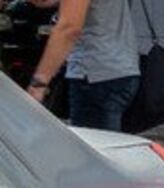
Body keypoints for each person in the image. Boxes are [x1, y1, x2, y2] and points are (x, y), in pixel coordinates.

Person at [24, 0, 140, 131]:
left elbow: (69, 28)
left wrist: (39, 84)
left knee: (93, 146)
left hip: (95, 75)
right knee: (106, 141)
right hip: (118, 69)